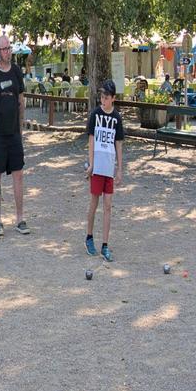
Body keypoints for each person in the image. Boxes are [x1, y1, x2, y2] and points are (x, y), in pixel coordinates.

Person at [0, 35, 29, 236]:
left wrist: (21, 128)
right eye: (3, 49)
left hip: (14, 134)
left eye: (9, 48)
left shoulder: (17, 72)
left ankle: (20, 219)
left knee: (18, 175)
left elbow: (21, 101)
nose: (7, 52)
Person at [84, 80, 125, 262]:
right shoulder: (95, 114)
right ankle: (89, 237)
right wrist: (91, 164)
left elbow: (119, 144)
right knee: (94, 203)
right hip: (98, 167)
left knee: (108, 206)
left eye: (106, 97)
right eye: (101, 97)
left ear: (113, 99)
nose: (103, 100)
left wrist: (120, 169)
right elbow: (91, 140)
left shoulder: (116, 118)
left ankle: (105, 245)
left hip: (109, 167)